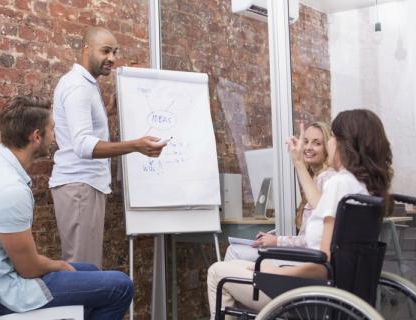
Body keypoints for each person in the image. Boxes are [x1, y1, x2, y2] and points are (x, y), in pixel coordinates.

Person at [0, 96, 133, 320]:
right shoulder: (10, 190)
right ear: (36, 136)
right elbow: (28, 268)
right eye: (52, 129)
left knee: (91, 271)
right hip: (7, 294)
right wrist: (59, 265)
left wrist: (60, 266)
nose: (54, 136)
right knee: (121, 286)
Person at [207, 109, 393, 319]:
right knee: (239, 264)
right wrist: (298, 162)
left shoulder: (339, 183)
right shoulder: (363, 188)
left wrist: (277, 273)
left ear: (344, 143)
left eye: (331, 136)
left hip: (310, 291)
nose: (329, 142)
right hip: (340, 288)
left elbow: (323, 263)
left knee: (217, 272)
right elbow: (328, 243)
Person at [50, 27, 165, 268]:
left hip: (83, 186)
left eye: (115, 52)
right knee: (82, 270)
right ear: (86, 50)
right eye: (105, 51)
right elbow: (82, 145)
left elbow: (80, 130)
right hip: (80, 187)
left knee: (86, 268)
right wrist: (135, 146)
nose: (112, 58)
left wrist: (106, 112)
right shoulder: (78, 87)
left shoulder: (86, 85)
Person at [224, 122, 335, 262]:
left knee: (234, 252)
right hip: (304, 256)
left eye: (317, 143)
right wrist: (273, 240)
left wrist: (277, 241)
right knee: (235, 251)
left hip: (308, 260)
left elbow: (314, 239)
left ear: (327, 147)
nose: (308, 147)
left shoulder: (327, 178)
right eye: (305, 141)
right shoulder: (314, 178)